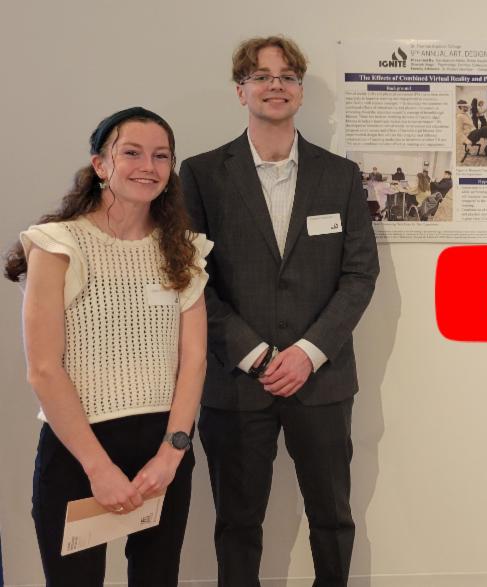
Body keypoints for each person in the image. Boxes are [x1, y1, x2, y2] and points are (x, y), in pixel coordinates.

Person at [180, 36, 379, 586]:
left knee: (332, 520)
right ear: (241, 89)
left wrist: (308, 354)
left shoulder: (339, 175)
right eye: (262, 76)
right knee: (237, 522)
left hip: (322, 381)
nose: (276, 85)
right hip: (236, 383)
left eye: (288, 76)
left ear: (300, 92)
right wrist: (254, 353)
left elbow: (360, 274)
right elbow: (192, 279)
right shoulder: (200, 175)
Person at [6, 107, 210, 585]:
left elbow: (194, 358)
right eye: (131, 152)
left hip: (163, 450)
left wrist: (172, 453)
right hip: (79, 453)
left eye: (162, 156)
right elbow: (43, 369)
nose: (149, 166)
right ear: (101, 164)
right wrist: (98, 469)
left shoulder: (182, 249)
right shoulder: (58, 245)